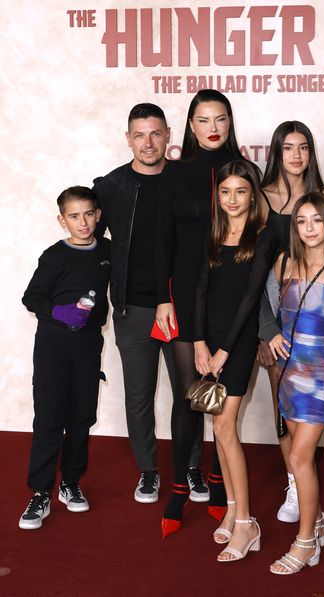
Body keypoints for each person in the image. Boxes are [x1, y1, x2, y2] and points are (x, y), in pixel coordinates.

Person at [93, 104, 205, 504]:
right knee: (138, 395)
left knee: (188, 393)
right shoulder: (110, 186)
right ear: (128, 139)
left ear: (169, 135)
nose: (148, 142)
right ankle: (148, 471)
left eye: (155, 133)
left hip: (178, 306)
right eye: (139, 135)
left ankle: (190, 468)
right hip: (132, 310)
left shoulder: (186, 180)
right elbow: (91, 242)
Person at [257, 121, 324, 532]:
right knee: (287, 417)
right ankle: (296, 486)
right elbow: (257, 270)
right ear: (277, 153)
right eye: (288, 148)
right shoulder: (263, 199)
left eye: (303, 147)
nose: (296, 155)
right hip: (282, 319)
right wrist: (267, 330)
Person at [155, 89, 249, 537]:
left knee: (222, 400)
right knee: (188, 396)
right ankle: (177, 490)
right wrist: (163, 297)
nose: (213, 128)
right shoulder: (175, 174)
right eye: (203, 119)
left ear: (231, 124)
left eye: (221, 119)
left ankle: (216, 483)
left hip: (227, 297)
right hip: (183, 296)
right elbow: (163, 243)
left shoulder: (244, 172)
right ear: (190, 126)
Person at [269, 192, 324, 574]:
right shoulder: (283, 263)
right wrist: (269, 336)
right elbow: (269, 312)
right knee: (297, 457)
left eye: (317, 220)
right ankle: (317, 523)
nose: (309, 228)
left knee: (299, 457)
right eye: (302, 220)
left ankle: (305, 542)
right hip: (288, 373)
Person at [194, 161, 277, 561]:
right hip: (209, 342)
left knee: (225, 427)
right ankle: (230, 509)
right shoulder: (212, 232)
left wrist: (225, 349)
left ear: (253, 195)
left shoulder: (263, 236)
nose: (232, 200)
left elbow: (250, 297)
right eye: (225, 192)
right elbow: (199, 290)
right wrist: (199, 343)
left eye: (240, 192)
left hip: (239, 342)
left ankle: (247, 523)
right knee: (218, 426)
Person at [19, 187, 110, 529]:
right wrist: (58, 311)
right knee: (49, 417)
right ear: (62, 220)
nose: (83, 222)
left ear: (98, 215)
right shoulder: (54, 256)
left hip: (88, 345)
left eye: (88, 214)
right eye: (74, 216)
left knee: (82, 416)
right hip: (53, 344)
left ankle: (70, 483)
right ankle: (40, 492)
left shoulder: (107, 251)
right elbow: (31, 297)